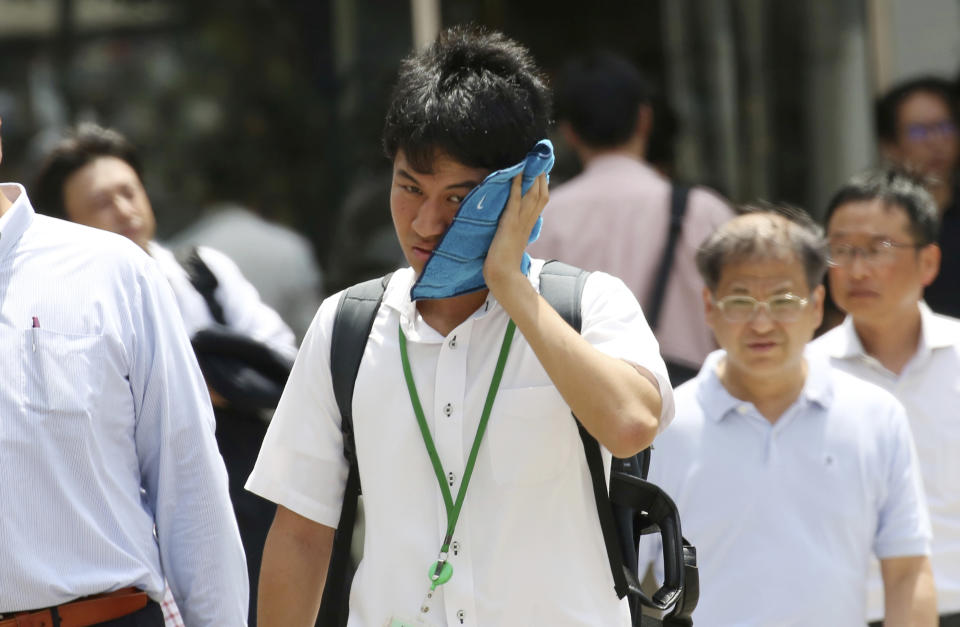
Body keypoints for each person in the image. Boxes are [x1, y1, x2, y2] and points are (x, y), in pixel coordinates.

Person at [246, 25, 674, 626]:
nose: (425, 222)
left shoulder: (590, 304)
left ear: (522, 187)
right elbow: (301, 533)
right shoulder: (348, 326)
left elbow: (630, 424)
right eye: (409, 188)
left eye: (459, 198)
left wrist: (510, 284)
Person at [33, 123, 297, 626]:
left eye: (129, 191)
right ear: (67, 222)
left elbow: (285, 361)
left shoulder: (204, 272)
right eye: (102, 202)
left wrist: (209, 386)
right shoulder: (68, 307)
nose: (125, 209)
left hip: (250, 495)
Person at [640, 209, 936, 626]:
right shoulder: (661, 427)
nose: (762, 323)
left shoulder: (876, 416)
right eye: (741, 301)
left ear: (816, 306)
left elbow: (907, 571)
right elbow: (623, 580)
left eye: (783, 301)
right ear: (709, 305)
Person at [809, 169, 960, 626]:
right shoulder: (802, 374)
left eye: (877, 249)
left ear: (929, 262)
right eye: (840, 250)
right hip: (845, 611)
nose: (856, 269)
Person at [528, 50, 734, 379]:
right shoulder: (704, 210)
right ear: (644, 119)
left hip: (580, 409)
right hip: (688, 405)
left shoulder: (539, 217)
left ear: (568, 133)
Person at [875, 76, 960, 317]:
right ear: (891, 145)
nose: (936, 142)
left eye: (945, 127)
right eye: (919, 131)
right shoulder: (874, 218)